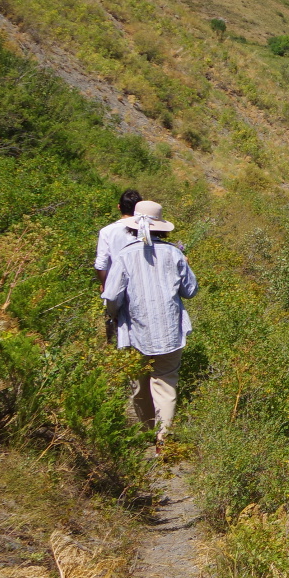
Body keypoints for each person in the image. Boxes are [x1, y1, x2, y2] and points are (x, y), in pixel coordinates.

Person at [102, 200, 197, 444]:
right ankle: (162, 438)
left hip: (135, 333)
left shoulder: (124, 256)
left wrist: (113, 315)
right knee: (165, 383)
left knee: (139, 385)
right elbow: (190, 290)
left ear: (134, 226)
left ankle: (147, 432)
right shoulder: (174, 253)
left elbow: (112, 295)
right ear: (162, 227)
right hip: (170, 331)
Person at [95, 189, 143, 344]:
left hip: (115, 287)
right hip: (141, 286)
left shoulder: (107, 231)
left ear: (118, 207)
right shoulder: (145, 232)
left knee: (114, 330)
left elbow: (101, 264)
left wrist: (105, 284)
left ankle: (115, 359)